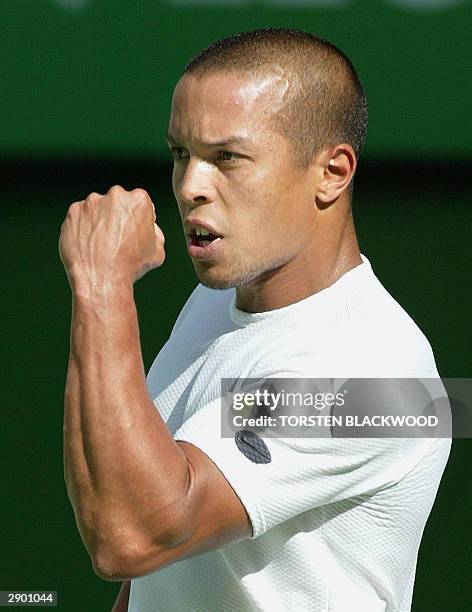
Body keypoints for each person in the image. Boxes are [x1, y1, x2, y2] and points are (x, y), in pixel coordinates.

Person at [59, 28, 451, 612]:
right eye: (180, 154)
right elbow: (158, 576)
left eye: (227, 158)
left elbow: (134, 537)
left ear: (333, 172)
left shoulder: (376, 375)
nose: (190, 186)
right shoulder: (219, 304)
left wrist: (101, 284)